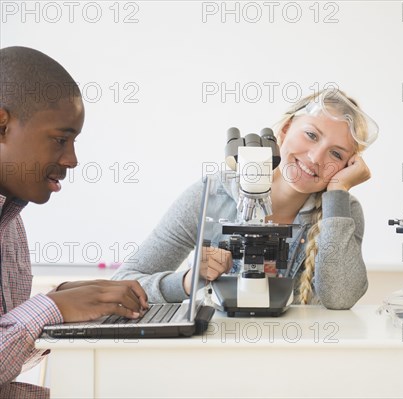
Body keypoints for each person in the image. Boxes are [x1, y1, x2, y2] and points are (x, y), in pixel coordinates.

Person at [112, 88, 378, 309]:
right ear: (284, 130)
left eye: (336, 154)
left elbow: (340, 299)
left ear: (347, 166)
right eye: (311, 135)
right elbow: (122, 284)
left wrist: (338, 193)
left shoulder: (343, 211)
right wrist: (188, 281)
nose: (315, 158)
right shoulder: (211, 194)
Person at [0, 46, 148, 398]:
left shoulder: (11, 221)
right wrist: (51, 308)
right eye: (60, 140)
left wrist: (59, 300)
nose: (72, 159)